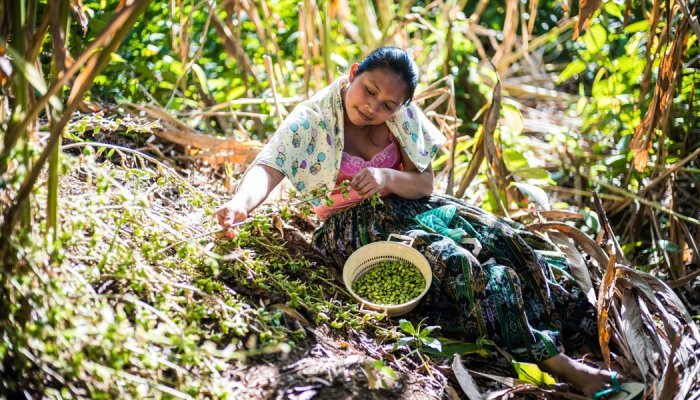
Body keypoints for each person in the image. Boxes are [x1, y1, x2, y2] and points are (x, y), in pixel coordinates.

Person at [216, 47, 618, 397]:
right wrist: (239, 205)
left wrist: (385, 178)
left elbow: (424, 184)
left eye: (388, 104)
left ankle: (587, 328)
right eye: (369, 90)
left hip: (412, 205)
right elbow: (269, 166)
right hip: (353, 226)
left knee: (505, 239)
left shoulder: (401, 116)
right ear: (354, 72)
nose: (374, 106)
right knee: (455, 261)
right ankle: (558, 364)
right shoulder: (312, 120)